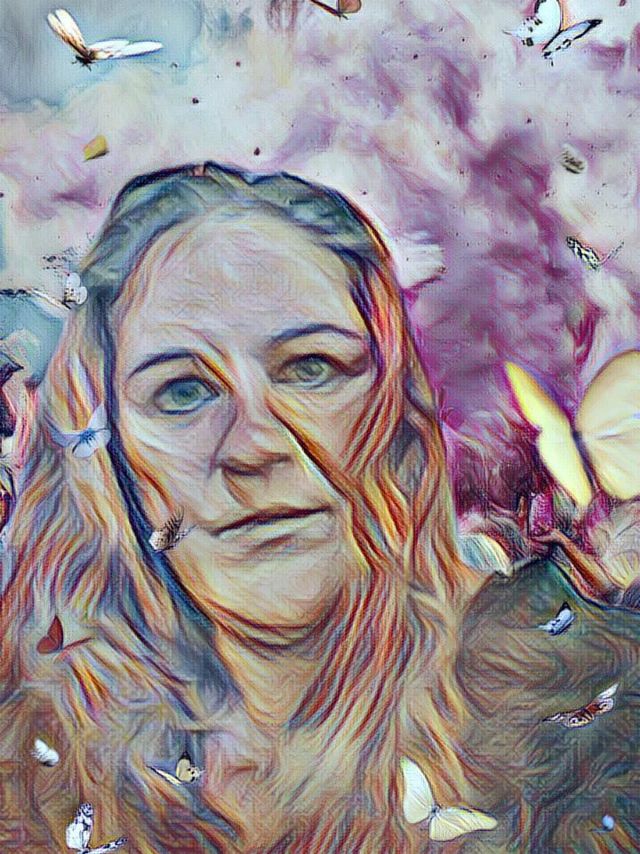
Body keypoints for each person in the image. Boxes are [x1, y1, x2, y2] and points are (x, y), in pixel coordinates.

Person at [0, 162, 637, 853]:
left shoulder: (592, 704)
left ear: (393, 413)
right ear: (109, 450)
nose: (254, 446)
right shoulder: (29, 758)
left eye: (311, 368)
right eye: (182, 391)